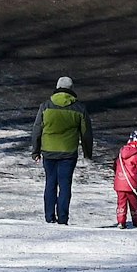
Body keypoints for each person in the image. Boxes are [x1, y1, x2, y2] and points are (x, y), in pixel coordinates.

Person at [29, 76, 94, 224]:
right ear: (71, 89)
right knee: (65, 186)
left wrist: (36, 151)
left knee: (50, 183)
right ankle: (63, 218)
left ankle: (49, 217)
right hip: (68, 153)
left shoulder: (45, 106)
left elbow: (37, 129)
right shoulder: (79, 108)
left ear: (57, 87)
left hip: (49, 152)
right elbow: (86, 133)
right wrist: (87, 153)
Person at [113, 131, 137, 229]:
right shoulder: (136, 155)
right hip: (131, 183)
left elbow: (115, 165)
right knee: (133, 203)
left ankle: (121, 221)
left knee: (121, 203)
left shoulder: (121, 152)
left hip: (119, 183)